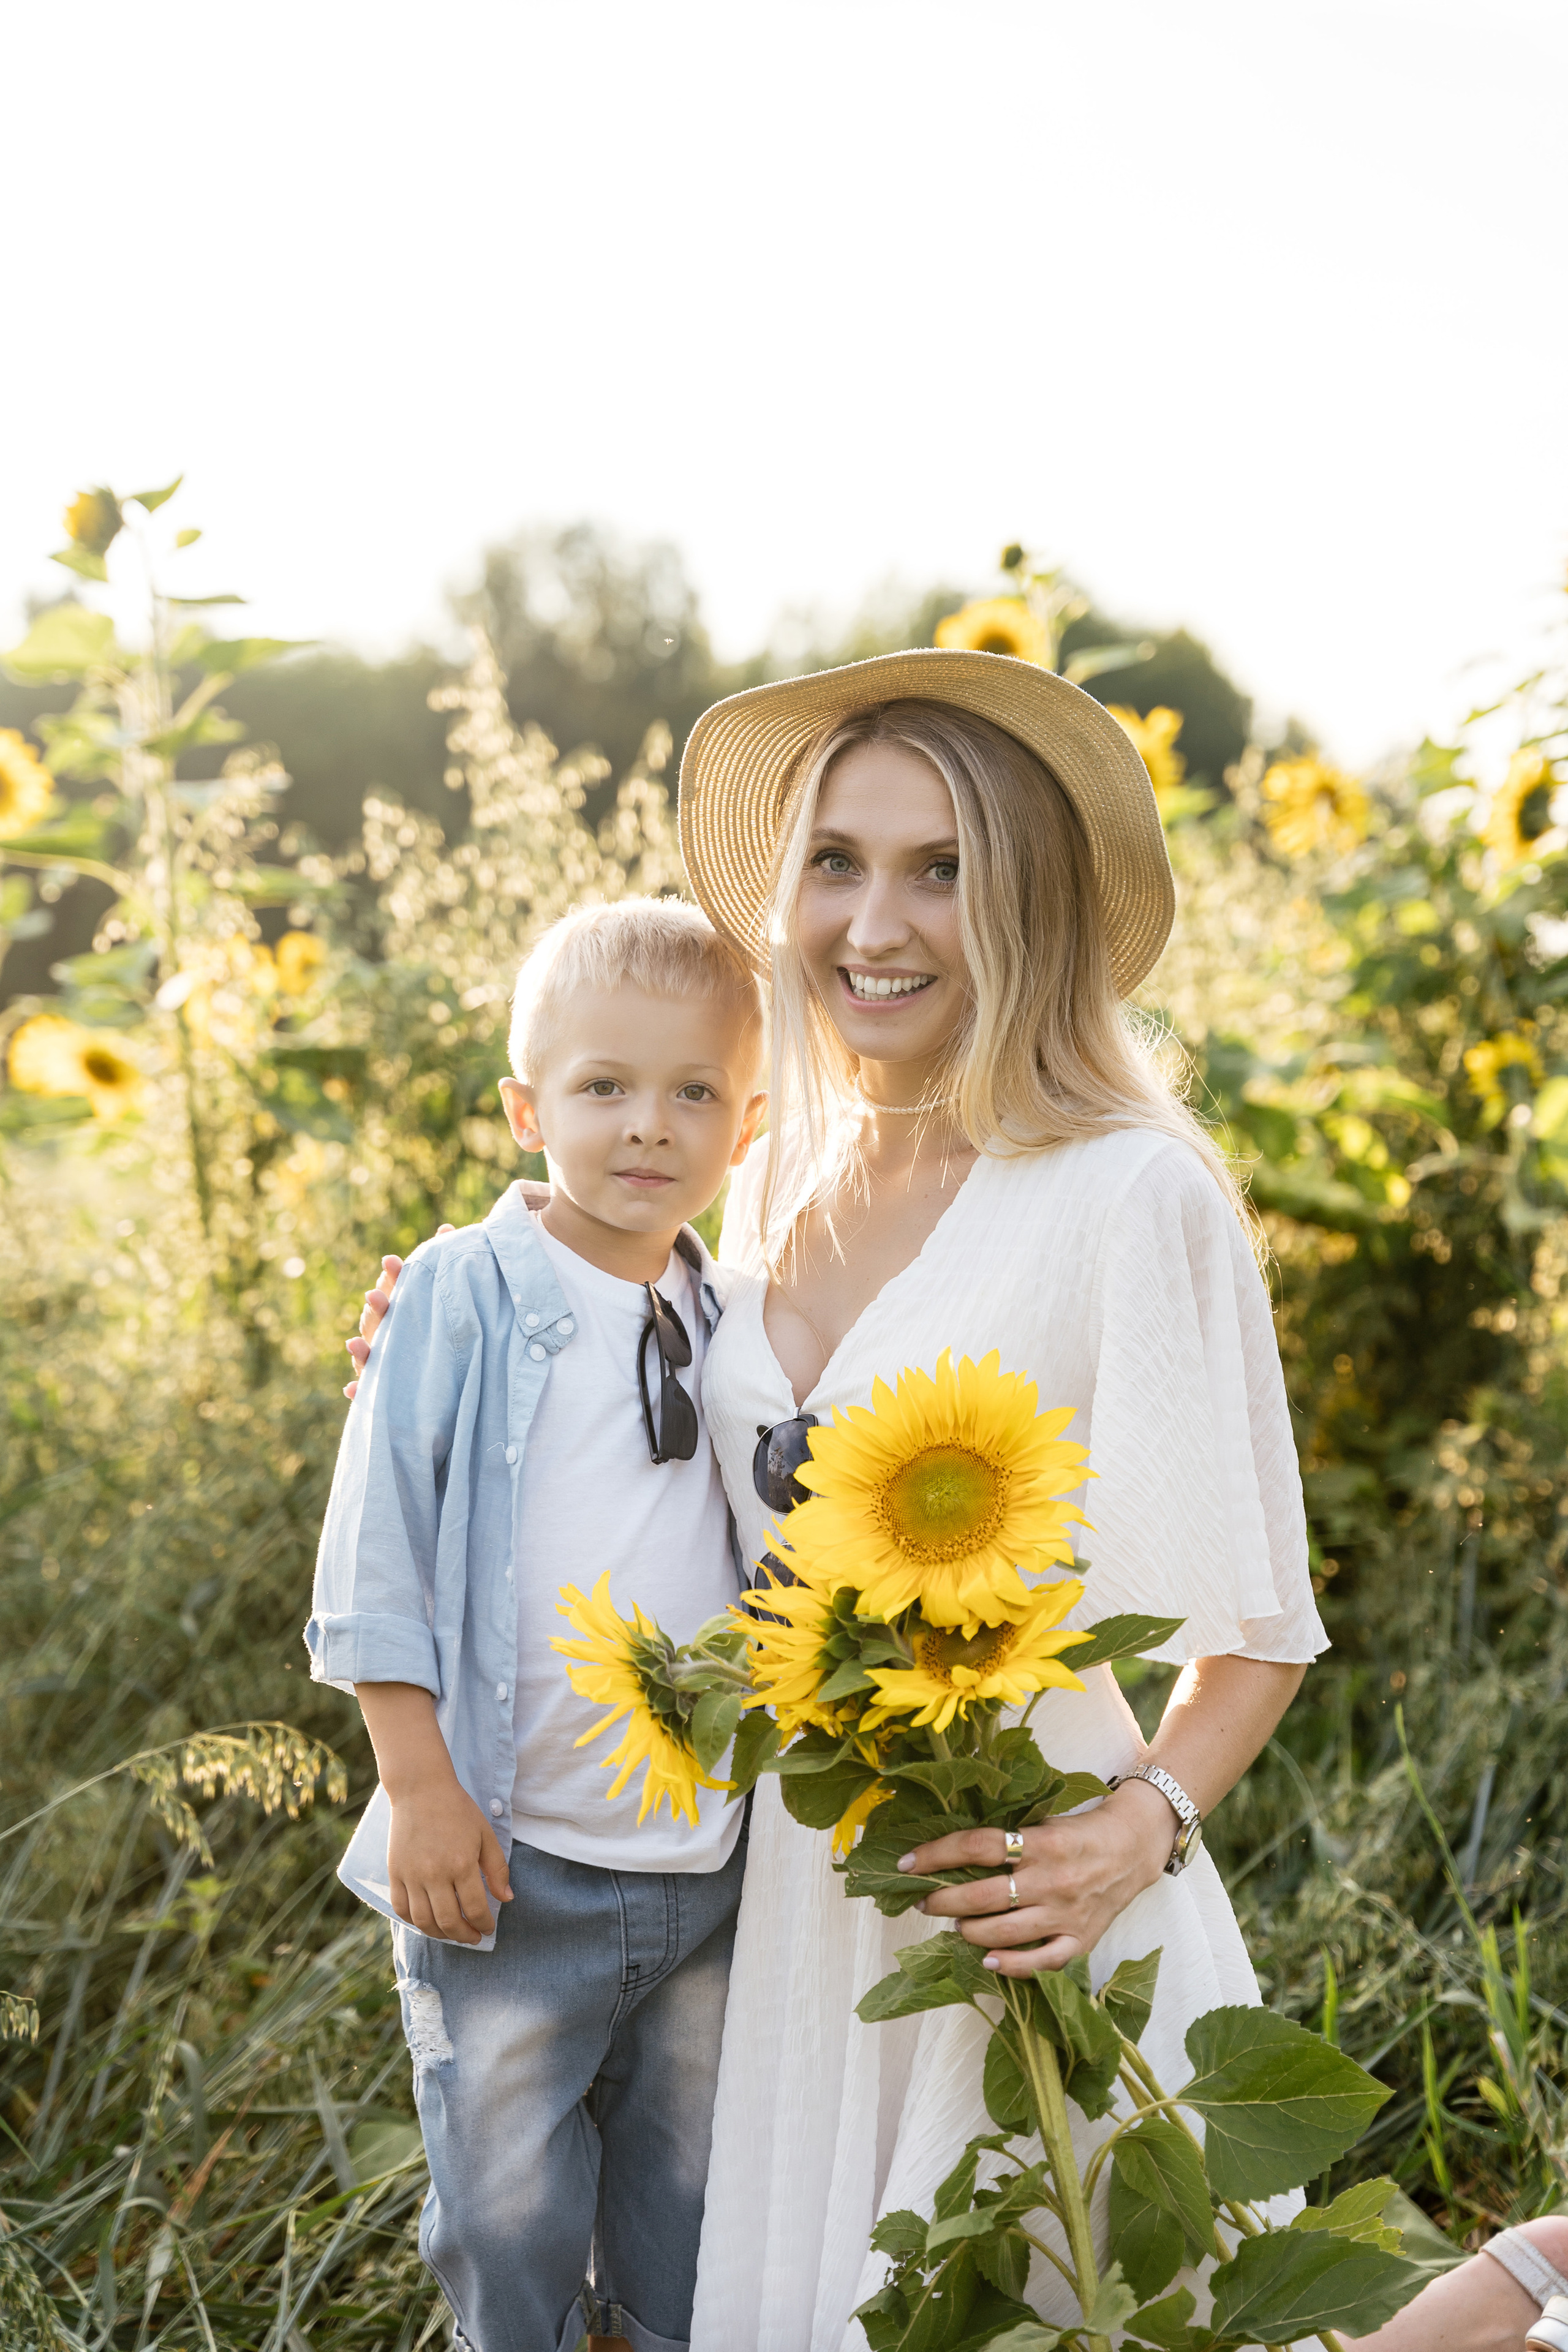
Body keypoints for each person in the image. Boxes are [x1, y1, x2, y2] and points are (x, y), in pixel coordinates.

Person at [352, 652, 1561, 2348]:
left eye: (943, 870)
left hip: (1014, 1887)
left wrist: (1129, 1830)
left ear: (1032, 906)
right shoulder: (758, 1171)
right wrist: (448, 1328)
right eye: (837, 862)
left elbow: (1256, 1633)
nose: (876, 923)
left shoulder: (1131, 1191)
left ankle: (1512, 2289)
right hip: (774, 1895)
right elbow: (599, 1374)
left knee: (1081, 2296)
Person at [309, 897, 766, 2352]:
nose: (649, 1127)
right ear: (526, 1107)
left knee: (685, 2201)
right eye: (603, 1088)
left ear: (744, 1127)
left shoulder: (731, 1315)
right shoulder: (464, 1292)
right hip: (508, 1868)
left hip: (703, 1865)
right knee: (506, 2208)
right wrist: (420, 1789)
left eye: (693, 1091)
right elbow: (374, 1555)